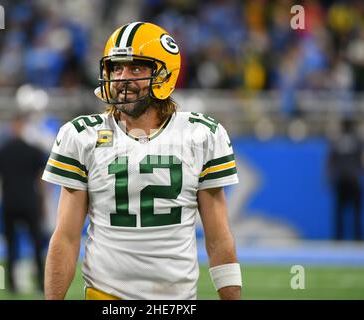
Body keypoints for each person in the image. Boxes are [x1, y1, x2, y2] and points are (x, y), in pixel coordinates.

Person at [42, 22, 242, 300]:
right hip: (105, 297)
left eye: (136, 68)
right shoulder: (81, 136)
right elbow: (65, 237)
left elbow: (219, 238)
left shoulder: (201, 135)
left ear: (163, 74)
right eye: (116, 68)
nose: (123, 78)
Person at [0, 113, 47, 293]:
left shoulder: (2, 150)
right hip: (30, 202)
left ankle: (11, 285)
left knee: (11, 244)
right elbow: (42, 178)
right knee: (36, 244)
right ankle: (41, 284)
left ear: (12, 127)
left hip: (9, 202)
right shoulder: (33, 150)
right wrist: (43, 201)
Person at [327, 118, 363, 241]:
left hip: (341, 179)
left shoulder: (336, 141)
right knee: (356, 212)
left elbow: (330, 161)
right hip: (353, 179)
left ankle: (338, 238)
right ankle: (357, 237)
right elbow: (361, 160)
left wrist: (329, 177)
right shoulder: (357, 141)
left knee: (340, 212)